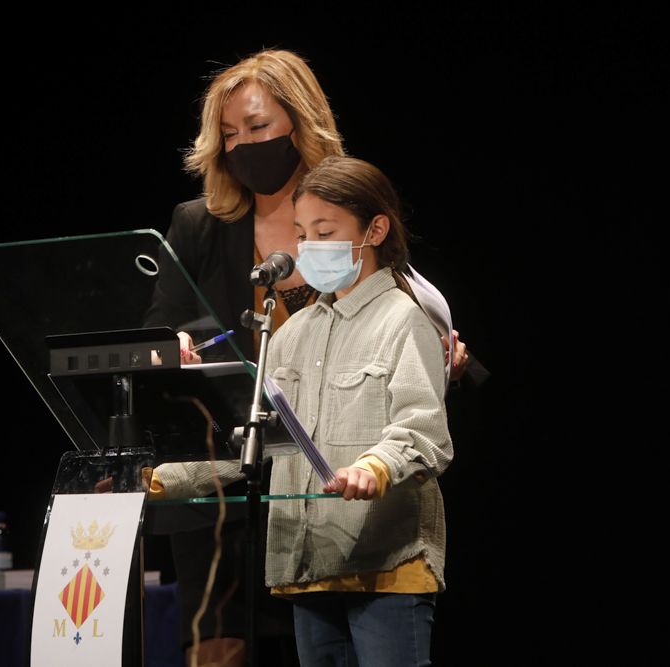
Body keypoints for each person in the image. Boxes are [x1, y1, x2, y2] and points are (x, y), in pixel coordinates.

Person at [143, 49, 468, 666]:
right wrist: (154, 473)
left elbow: (421, 410)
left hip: (355, 511)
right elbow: (173, 351)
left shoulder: (383, 275)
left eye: (258, 128)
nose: (243, 146)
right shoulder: (200, 229)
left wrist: (435, 359)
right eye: (229, 135)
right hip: (244, 491)